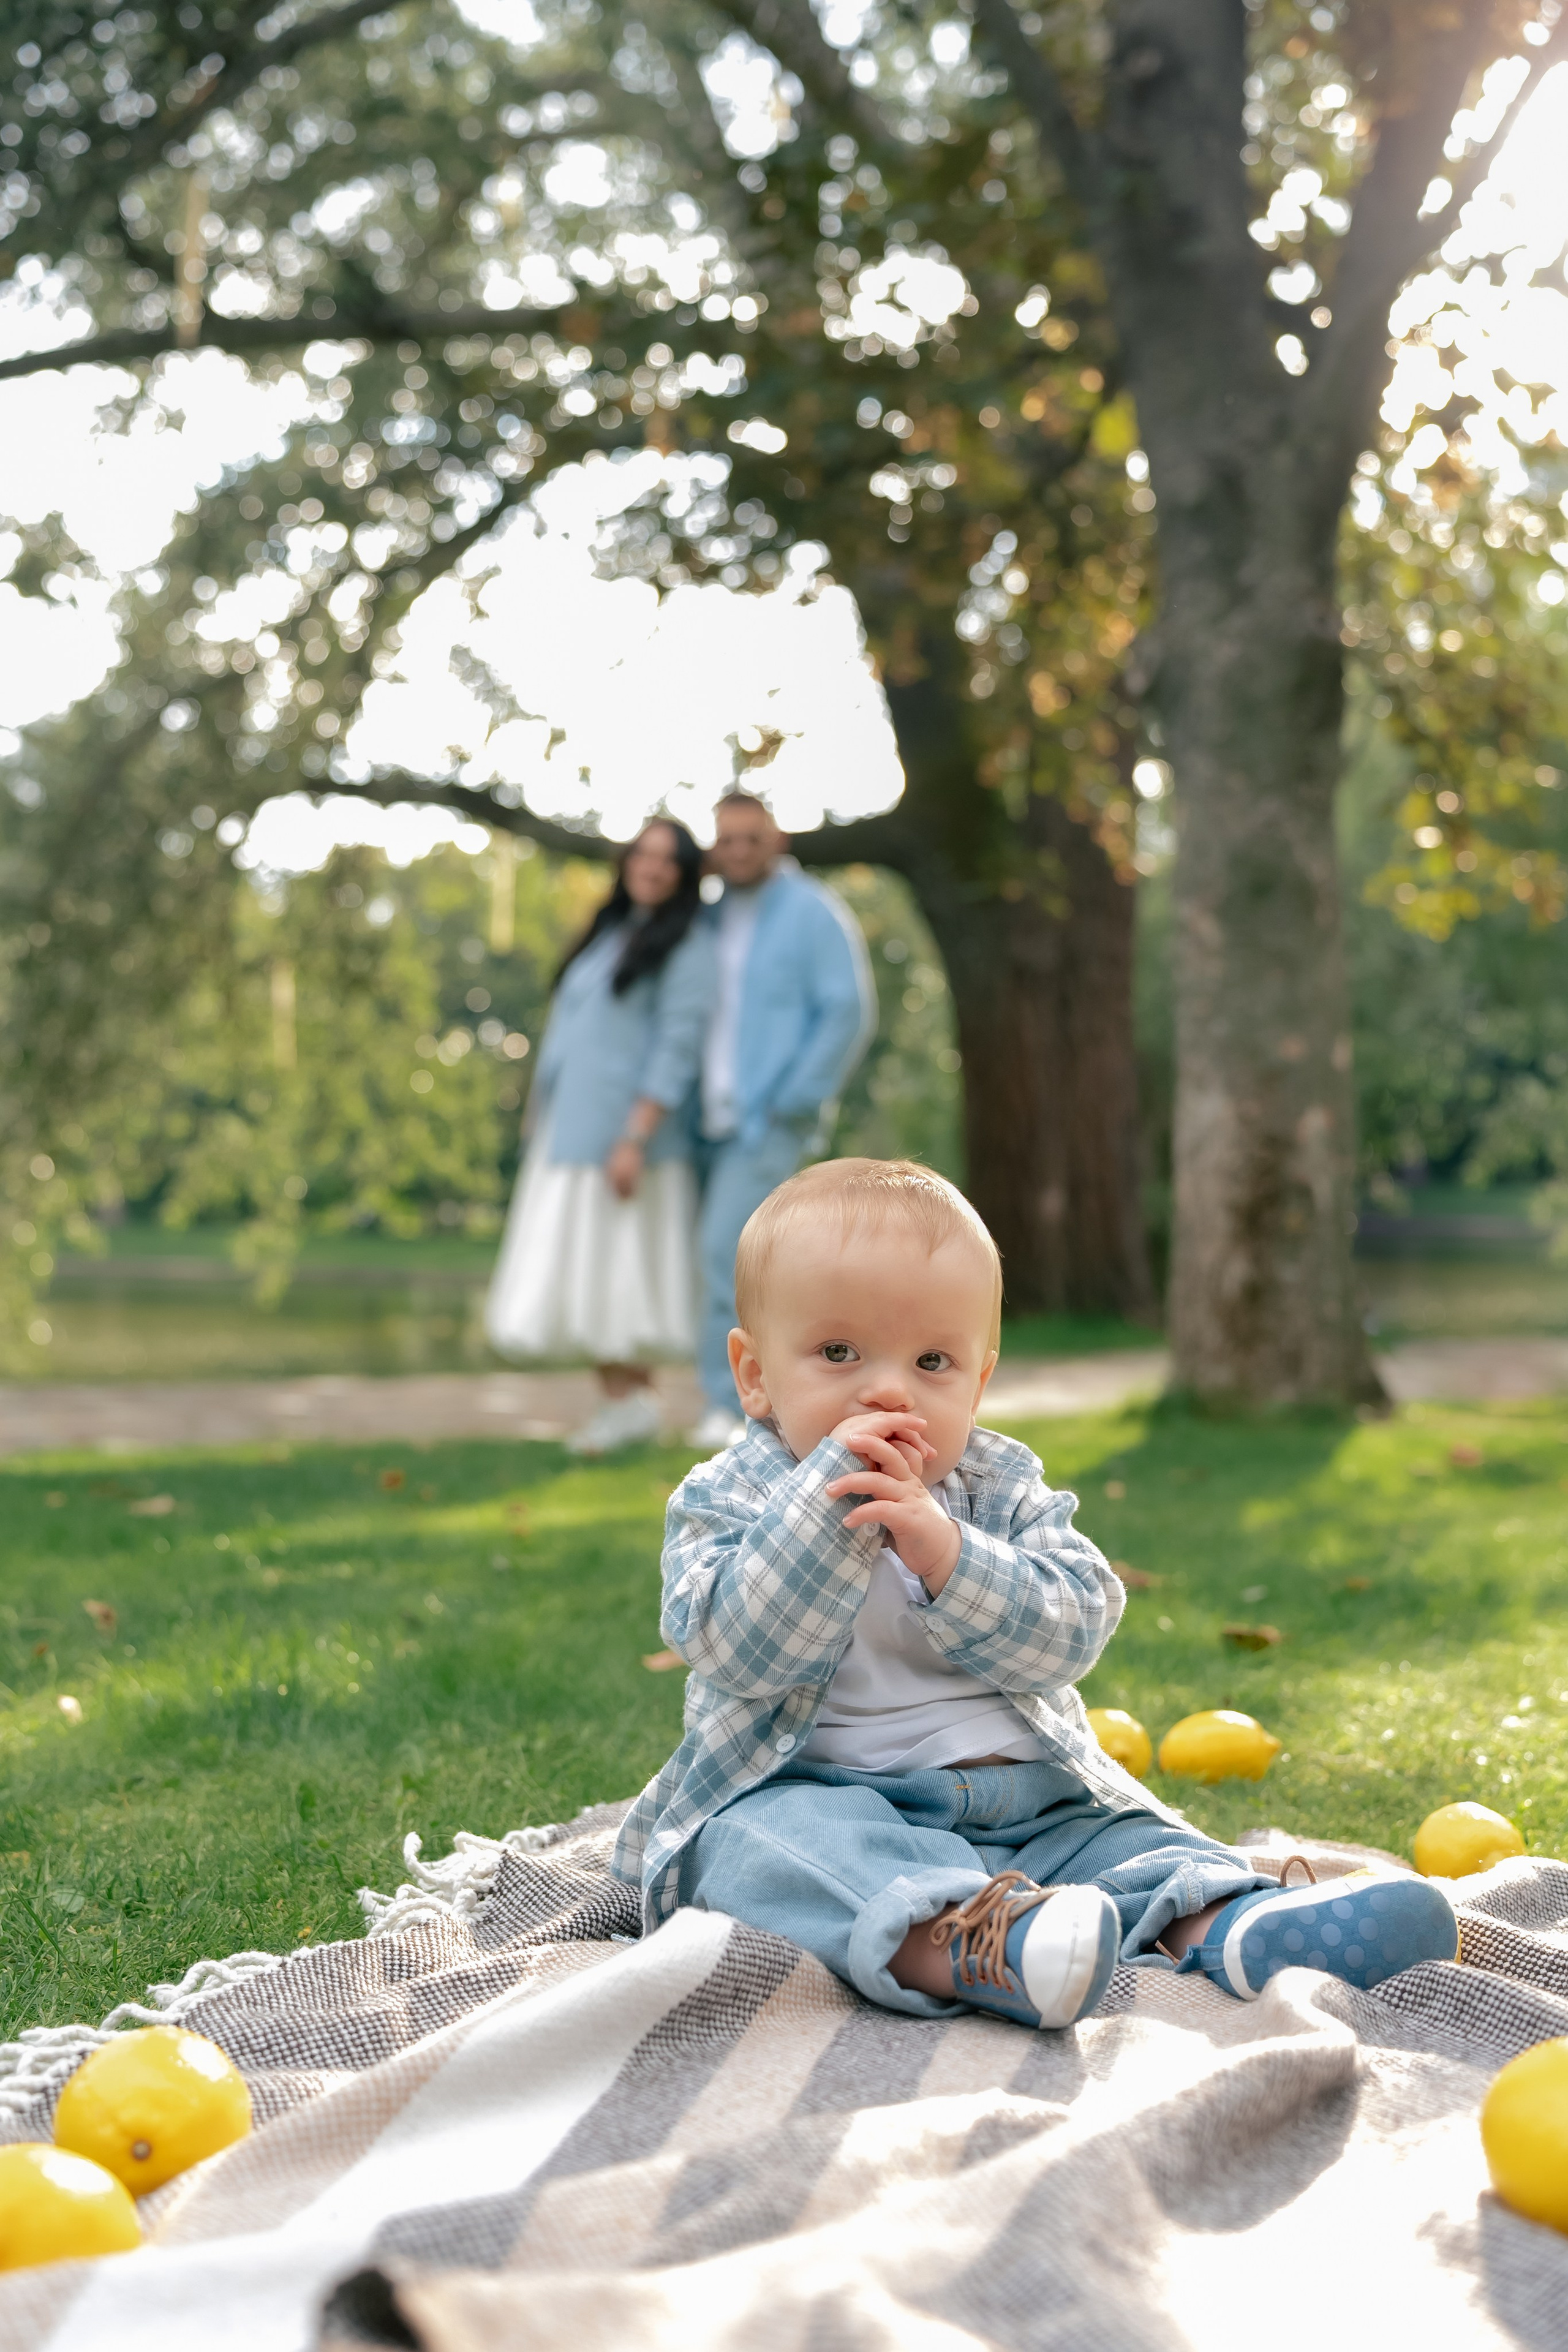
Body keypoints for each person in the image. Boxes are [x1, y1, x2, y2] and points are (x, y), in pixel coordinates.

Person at [612, 1158, 1459, 2026]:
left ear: (977, 1384)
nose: (889, 1390)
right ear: (754, 1376)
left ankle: (1234, 1922)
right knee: (756, 1852)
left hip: (1027, 1798)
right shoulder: (731, 1497)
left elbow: (1076, 1625)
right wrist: (824, 1511)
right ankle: (979, 1942)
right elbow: (733, 1649)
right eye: (838, 1353)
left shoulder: (999, 1489)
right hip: (829, 1796)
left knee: (1127, 1847)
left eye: (933, 1361)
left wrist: (950, 1555)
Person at [486, 818, 715, 1455]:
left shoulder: (687, 947)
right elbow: (567, 1034)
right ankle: (624, 1404)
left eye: (668, 861)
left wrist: (635, 1138)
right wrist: (540, 1106)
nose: (652, 868)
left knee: (620, 1273)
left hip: (626, 1139)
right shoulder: (608, 934)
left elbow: (677, 1048)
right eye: (643, 855)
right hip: (573, 1132)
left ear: (685, 874)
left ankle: (632, 1404)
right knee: (587, 1272)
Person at [690, 791, 875, 1451]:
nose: (738, 851)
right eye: (727, 840)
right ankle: (762, 1403)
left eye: (751, 838)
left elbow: (847, 1011)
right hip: (699, 1121)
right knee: (723, 1261)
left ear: (779, 840)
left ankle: (730, 1407)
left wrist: (796, 1099)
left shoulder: (813, 914)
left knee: (727, 1255)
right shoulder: (708, 918)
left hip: (767, 1121)